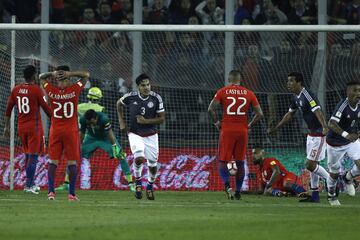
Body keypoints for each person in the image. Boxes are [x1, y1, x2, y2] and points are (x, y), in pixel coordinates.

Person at [268, 72, 330, 203]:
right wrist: (277, 127)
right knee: (313, 166)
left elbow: (317, 110)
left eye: (291, 81)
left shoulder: (307, 95)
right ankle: (315, 196)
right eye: (288, 81)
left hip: (319, 133)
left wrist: (324, 126)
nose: (288, 83)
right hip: (311, 134)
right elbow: (289, 114)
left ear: (299, 82)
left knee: (310, 164)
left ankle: (331, 181)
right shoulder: (296, 97)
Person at [207, 69, 264, 200]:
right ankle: (238, 192)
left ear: (229, 79)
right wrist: (249, 125)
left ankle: (227, 185)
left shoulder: (223, 91)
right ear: (240, 79)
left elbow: (210, 109)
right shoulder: (249, 93)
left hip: (227, 130)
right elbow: (260, 114)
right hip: (242, 131)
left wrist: (217, 122)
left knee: (222, 161)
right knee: (240, 162)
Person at [39, 65, 90, 201]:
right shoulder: (74, 89)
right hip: (71, 131)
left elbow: (41, 77)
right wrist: (70, 73)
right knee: (72, 162)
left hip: (55, 131)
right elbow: (86, 75)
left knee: (53, 161)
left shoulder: (51, 90)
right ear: (68, 79)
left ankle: (50, 192)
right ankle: (71, 194)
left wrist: (54, 73)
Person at [4, 65, 51, 194]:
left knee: (27, 155)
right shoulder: (36, 90)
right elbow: (46, 109)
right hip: (34, 128)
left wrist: (6, 126)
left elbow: (8, 109)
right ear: (34, 76)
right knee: (33, 156)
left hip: (21, 128)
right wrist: (56, 120)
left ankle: (30, 183)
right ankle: (29, 185)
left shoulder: (16, 89)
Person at [116, 74, 165, 200]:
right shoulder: (130, 97)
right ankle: (138, 181)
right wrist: (122, 122)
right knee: (139, 158)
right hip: (135, 134)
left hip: (151, 135)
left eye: (148, 84)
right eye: (143, 85)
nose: (146, 87)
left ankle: (149, 186)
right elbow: (118, 104)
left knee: (153, 166)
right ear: (138, 86)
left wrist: (145, 121)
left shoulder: (156, 98)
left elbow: (161, 118)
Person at [78, 109, 134, 191]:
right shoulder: (83, 119)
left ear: (96, 118)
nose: (91, 125)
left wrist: (114, 146)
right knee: (75, 155)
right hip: (91, 138)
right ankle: (67, 183)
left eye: (92, 123)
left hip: (105, 138)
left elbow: (110, 133)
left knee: (121, 155)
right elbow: (82, 133)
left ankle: (131, 183)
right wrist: (79, 145)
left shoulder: (104, 118)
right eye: (89, 123)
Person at [326, 81, 360, 206]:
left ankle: (348, 177)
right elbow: (331, 123)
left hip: (351, 141)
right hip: (335, 143)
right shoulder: (343, 106)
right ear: (347, 92)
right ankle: (331, 195)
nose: (358, 93)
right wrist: (346, 135)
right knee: (334, 174)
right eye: (354, 90)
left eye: (359, 90)